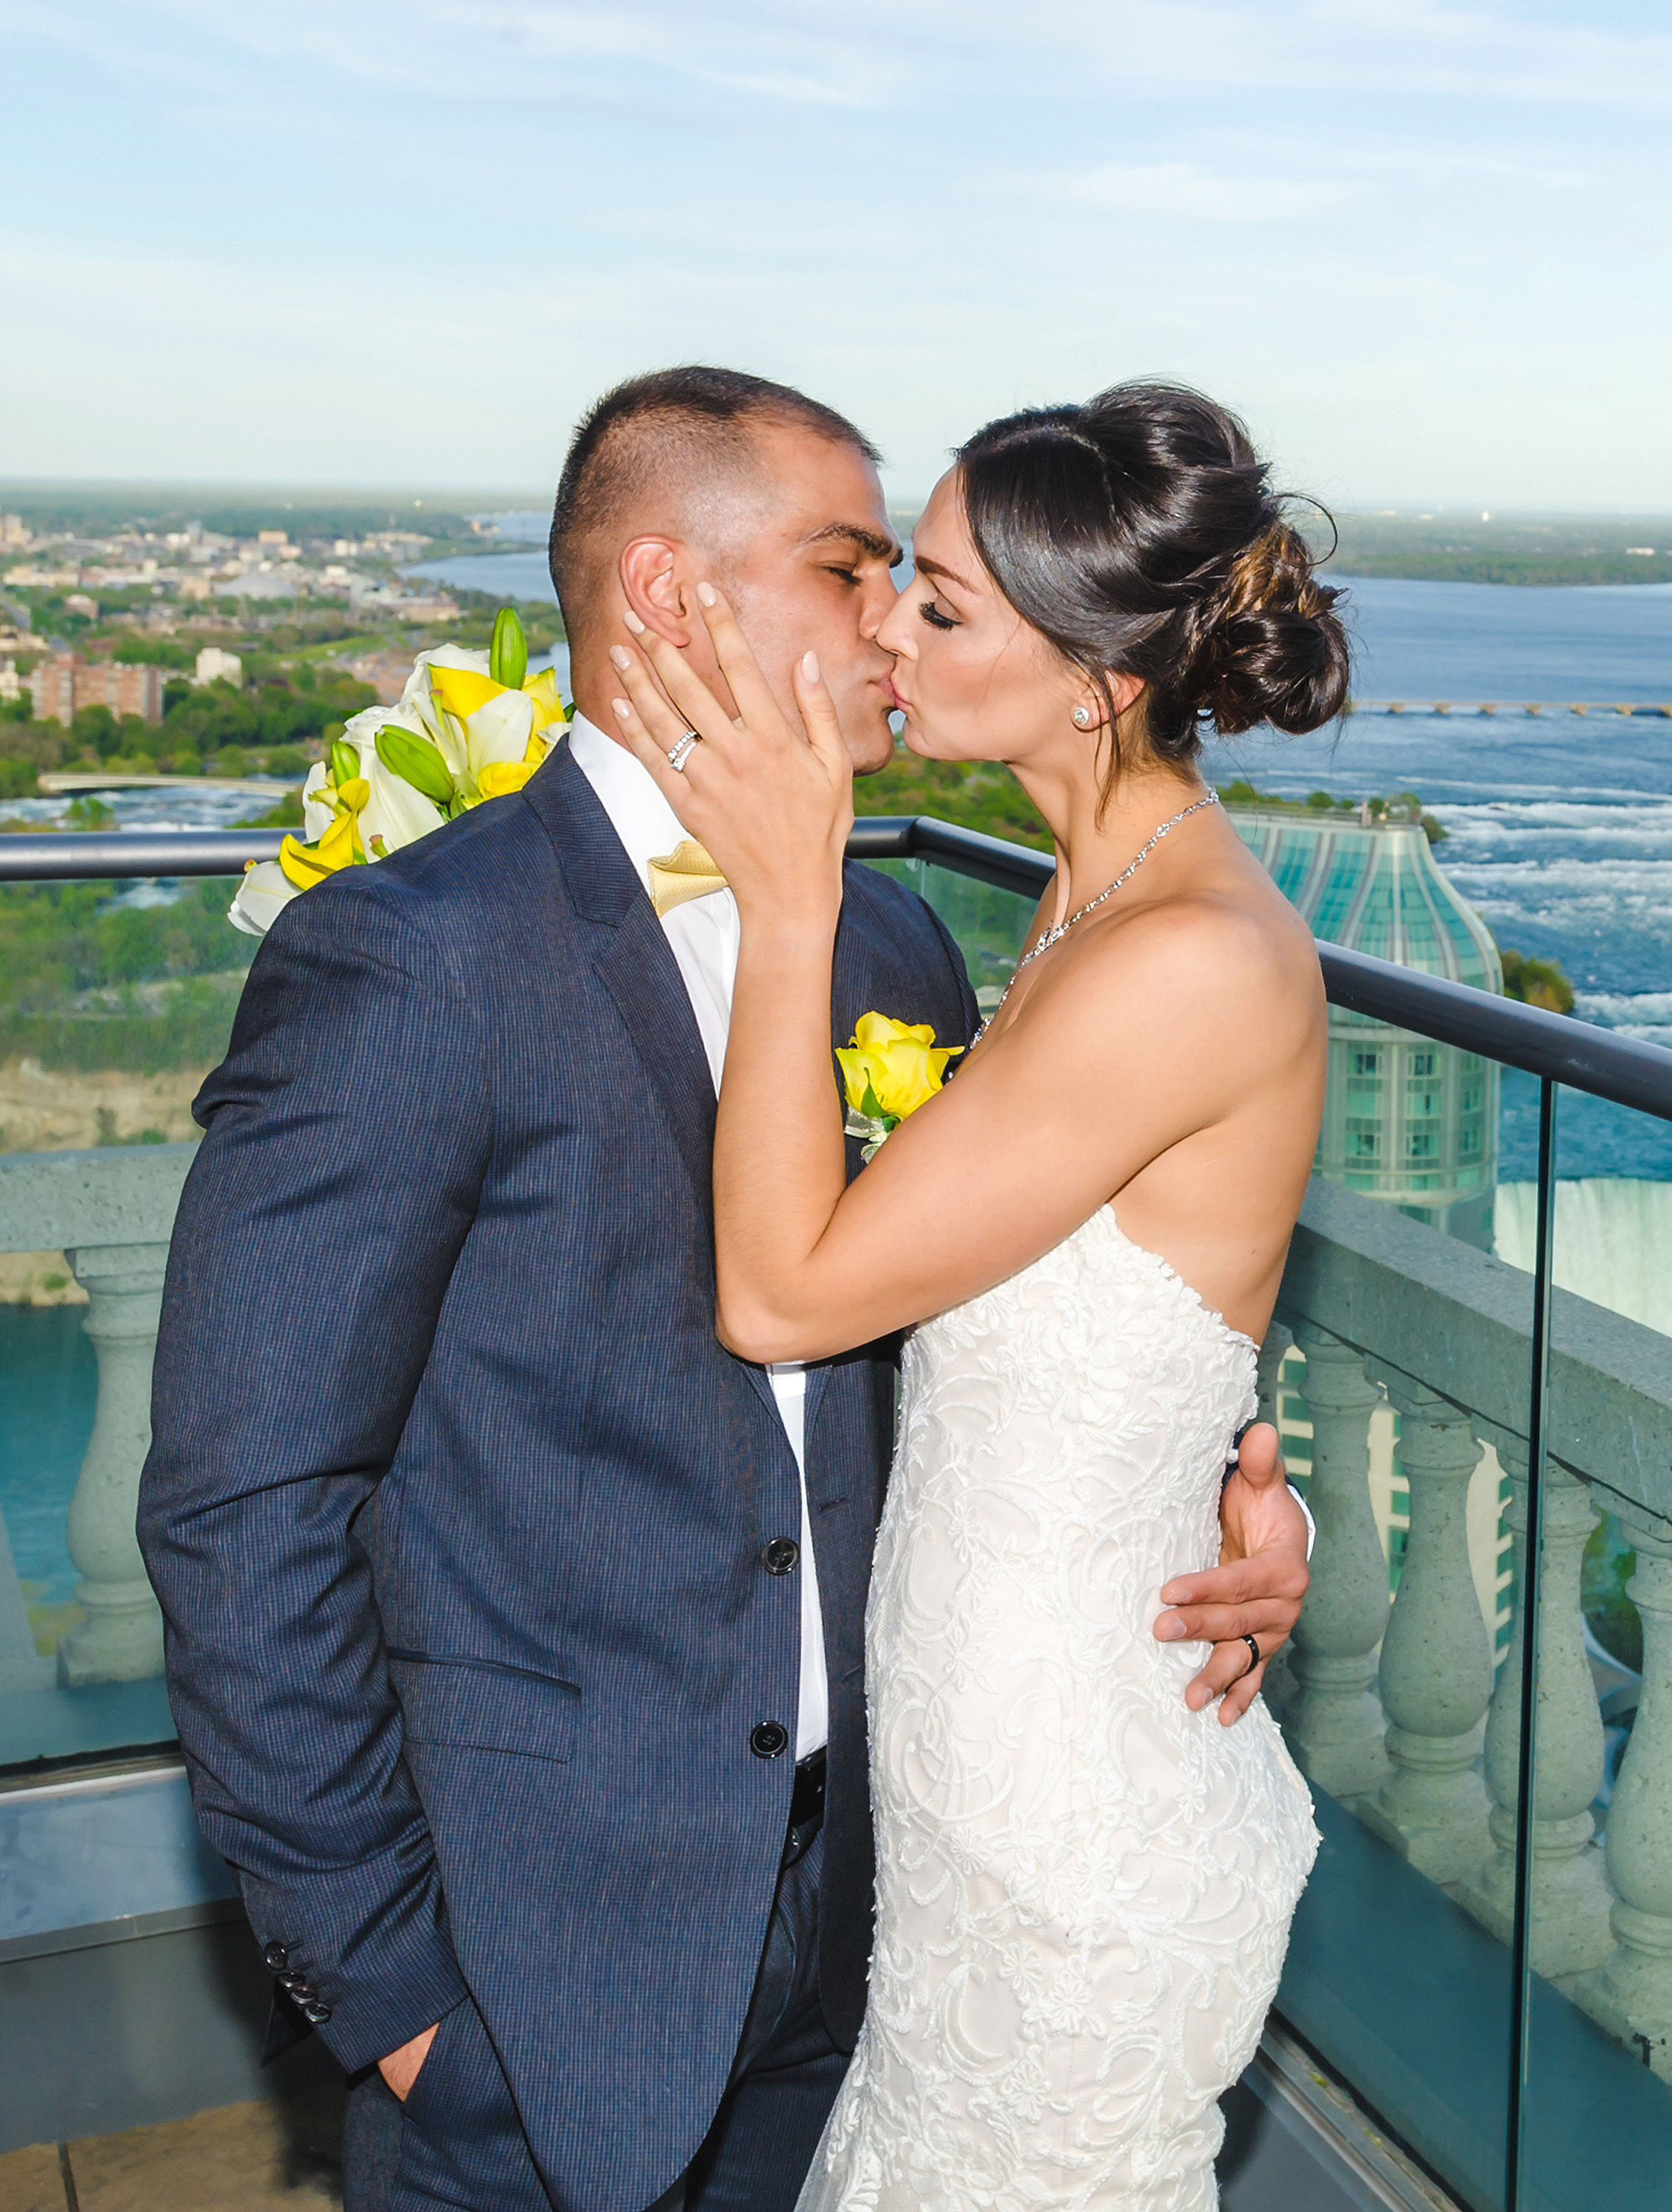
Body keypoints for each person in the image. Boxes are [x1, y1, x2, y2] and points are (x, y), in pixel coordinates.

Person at [136, 366, 1313, 2212]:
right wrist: (392, 1989)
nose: (887, 628)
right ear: (673, 599)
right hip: (540, 1968)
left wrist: (1224, 1504)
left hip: (892, 1914)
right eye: (854, 570)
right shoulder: (409, 959)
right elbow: (241, 1501)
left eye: (915, 588)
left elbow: (1014, 1326)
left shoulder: (902, 939)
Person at [599, 380, 1343, 2212]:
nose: (878, 628)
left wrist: (789, 897)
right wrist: (1239, 1489)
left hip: (1068, 1831)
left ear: (1092, 673)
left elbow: (782, 1295)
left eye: (934, 603)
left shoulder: (1177, 960)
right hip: (978, 1784)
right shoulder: (1081, 906)